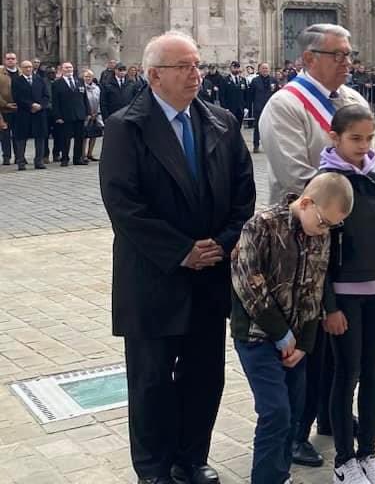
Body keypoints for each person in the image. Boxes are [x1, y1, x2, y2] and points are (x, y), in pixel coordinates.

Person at [99, 31, 256, 484]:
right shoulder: (126, 127)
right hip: (154, 277)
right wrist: (181, 251)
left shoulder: (221, 122)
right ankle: (153, 468)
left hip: (209, 275)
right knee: (151, 381)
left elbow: (242, 195)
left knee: (204, 375)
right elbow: (124, 205)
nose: (196, 74)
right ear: (154, 76)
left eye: (197, 65)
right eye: (184, 66)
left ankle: (192, 456)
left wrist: (221, 244)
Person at [258, 23, 375, 469]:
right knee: (307, 339)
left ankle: (335, 417)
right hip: (303, 239)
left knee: (342, 339)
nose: (348, 62)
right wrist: (346, 198)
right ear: (310, 58)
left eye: (349, 54)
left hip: (352, 244)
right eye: (338, 54)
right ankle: (296, 429)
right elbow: (296, 176)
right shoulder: (286, 104)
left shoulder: (354, 101)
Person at [230, 174, 353, 484]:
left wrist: (303, 343)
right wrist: (280, 333)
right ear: (307, 202)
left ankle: (280, 473)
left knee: (294, 410)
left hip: (296, 343)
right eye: (324, 222)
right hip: (257, 337)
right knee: (275, 412)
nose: (325, 230)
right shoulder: (262, 225)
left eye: (332, 227)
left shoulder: (319, 235)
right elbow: (247, 282)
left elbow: (315, 288)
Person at [314, 104, 375, 484]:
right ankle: (344, 460)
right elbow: (316, 251)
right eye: (355, 138)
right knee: (346, 372)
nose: (363, 145)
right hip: (344, 296)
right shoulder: (325, 181)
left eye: (369, 138)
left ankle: (369, 453)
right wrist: (329, 305)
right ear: (334, 138)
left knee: (373, 371)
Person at [11, 59, 50, 171]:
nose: (28, 69)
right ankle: (21, 162)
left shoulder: (40, 80)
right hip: (24, 113)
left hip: (39, 114)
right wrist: (31, 105)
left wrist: (40, 105)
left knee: (40, 138)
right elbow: (17, 97)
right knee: (21, 138)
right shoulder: (17, 81)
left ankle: (39, 161)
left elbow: (46, 96)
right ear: (21, 68)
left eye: (30, 67)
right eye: (25, 67)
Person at [50, 61, 88, 166]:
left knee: (79, 138)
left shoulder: (79, 81)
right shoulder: (57, 84)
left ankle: (78, 158)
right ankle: (65, 158)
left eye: (70, 67)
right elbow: (55, 101)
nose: (69, 69)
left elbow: (84, 98)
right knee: (65, 139)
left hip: (79, 114)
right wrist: (57, 116)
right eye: (66, 68)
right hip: (65, 115)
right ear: (62, 70)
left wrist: (87, 112)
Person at [248, 62, 279, 153]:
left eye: (266, 68)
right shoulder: (255, 81)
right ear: (259, 70)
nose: (265, 70)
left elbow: (277, 94)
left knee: (271, 128)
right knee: (257, 127)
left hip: (271, 108)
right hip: (259, 107)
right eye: (263, 68)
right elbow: (251, 95)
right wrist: (250, 107)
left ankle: (271, 145)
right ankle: (256, 145)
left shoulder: (273, 80)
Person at [83, 69, 103, 161]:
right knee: (84, 135)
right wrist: (88, 113)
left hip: (96, 114)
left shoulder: (97, 88)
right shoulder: (82, 88)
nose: (88, 78)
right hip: (86, 114)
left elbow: (99, 100)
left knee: (94, 134)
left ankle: (90, 153)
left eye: (89, 76)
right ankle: (83, 154)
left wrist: (96, 113)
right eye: (86, 76)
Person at [0, 51, 15, 165]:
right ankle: (6, 156)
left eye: (12, 59)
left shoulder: (20, 72)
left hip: (19, 109)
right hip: (4, 109)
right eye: (8, 59)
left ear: (16, 60)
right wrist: (5, 104)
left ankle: (20, 156)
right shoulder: (1, 73)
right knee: (5, 134)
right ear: (5, 61)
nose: (10, 60)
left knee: (19, 135)